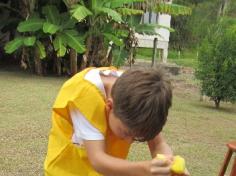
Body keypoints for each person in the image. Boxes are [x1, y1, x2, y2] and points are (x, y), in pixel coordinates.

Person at [44, 66, 186, 176]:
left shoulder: (141, 96)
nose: (129, 140)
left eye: (136, 137)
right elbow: (97, 160)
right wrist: (144, 170)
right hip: (67, 169)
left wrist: (168, 165)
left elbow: (158, 144)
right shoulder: (85, 97)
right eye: (126, 132)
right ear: (109, 106)